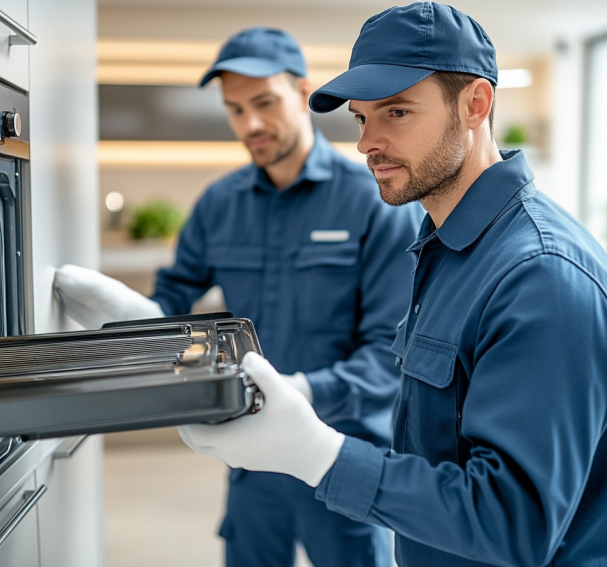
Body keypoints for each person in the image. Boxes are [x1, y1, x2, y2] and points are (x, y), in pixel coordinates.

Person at [178, 4, 607, 567]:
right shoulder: (444, 250)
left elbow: (513, 523)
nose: (367, 142)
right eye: (361, 118)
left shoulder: (542, 276)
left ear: (475, 105)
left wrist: (320, 453)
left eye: (396, 111)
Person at [54, 27, 422, 567]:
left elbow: (389, 355)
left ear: (302, 94)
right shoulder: (219, 204)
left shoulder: (375, 201)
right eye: (234, 109)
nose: (249, 124)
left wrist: (296, 391)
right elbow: (173, 300)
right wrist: (142, 323)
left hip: (340, 456)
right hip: (252, 460)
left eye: (264, 103)